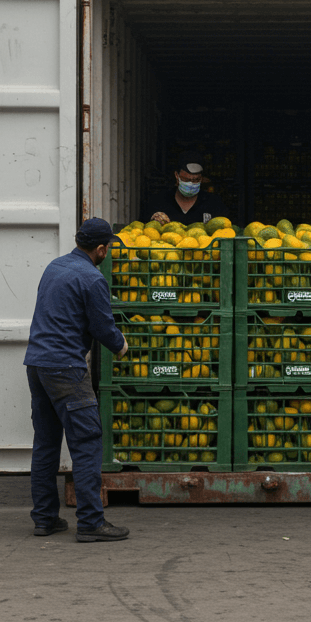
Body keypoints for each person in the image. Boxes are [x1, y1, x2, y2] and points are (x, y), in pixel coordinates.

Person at [24, 218, 131, 542]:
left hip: (37, 364)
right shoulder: (92, 278)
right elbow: (102, 326)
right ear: (100, 249)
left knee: (46, 443)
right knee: (86, 443)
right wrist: (122, 347)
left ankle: (45, 519)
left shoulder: (54, 267)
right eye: (107, 247)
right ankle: (90, 522)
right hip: (66, 369)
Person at [141, 151, 230, 226]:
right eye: (186, 180)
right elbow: (142, 229)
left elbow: (225, 231)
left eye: (196, 180)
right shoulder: (158, 202)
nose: (191, 184)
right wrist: (153, 221)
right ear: (177, 176)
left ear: (202, 179)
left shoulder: (214, 204)